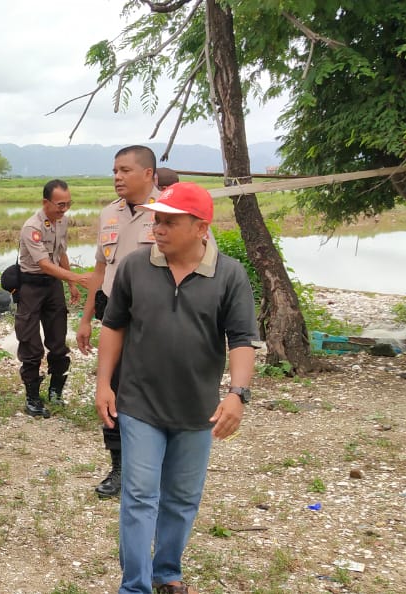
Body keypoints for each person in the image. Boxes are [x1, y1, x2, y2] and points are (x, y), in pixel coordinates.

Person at [94, 182, 256, 594]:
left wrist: (237, 393)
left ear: (201, 227)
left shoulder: (229, 274)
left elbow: (241, 339)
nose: (158, 228)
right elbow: (114, 326)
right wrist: (103, 384)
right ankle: (135, 586)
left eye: (169, 221)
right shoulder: (134, 266)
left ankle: (167, 572)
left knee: (182, 498)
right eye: (157, 219)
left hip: (197, 409)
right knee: (139, 495)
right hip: (140, 403)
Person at [77, 145, 162, 499]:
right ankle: (119, 466)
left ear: (148, 174)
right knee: (110, 388)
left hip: (155, 319)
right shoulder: (108, 214)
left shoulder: (169, 212)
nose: (117, 177)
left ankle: (155, 466)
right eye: (114, 171)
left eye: (125, 170)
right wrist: (85, 319)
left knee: (153, 392)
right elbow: (101, 269)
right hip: (114, 315)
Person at [13, 179, 94, 418]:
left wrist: (70, 284)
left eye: (68, 204)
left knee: (58, 341)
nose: (64, 209)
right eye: (60, 204)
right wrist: (77, 277)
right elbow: (45, 264)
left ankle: (56, 391)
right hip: (31, 286)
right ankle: (32, 397)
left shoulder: (63, 221)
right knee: (30, 344)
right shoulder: (33, 227)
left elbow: (61, 254)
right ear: (45, 202)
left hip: (54, 287)